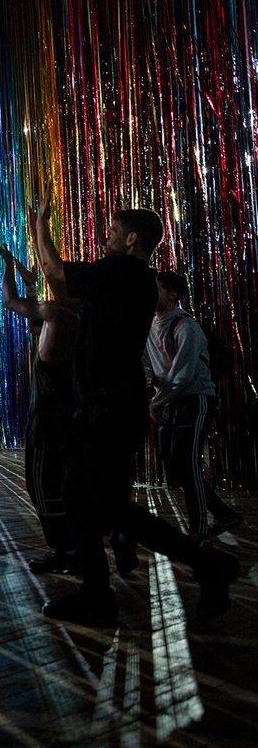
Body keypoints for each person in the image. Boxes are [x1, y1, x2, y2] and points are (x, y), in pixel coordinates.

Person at [32, 191, 239, 625]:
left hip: (106, 406)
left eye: (112, 231)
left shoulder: (123, 271)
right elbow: (64, 292)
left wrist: (41, 224)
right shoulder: (132, 280)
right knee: (96, 501)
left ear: (132, 239)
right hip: (111, 404)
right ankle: (112, 588)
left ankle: (114, 589)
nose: (106, 237)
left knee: (94, 501)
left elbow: (54, 273)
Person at [0, 236, 78, 575]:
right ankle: (77, 547)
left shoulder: (58, 313)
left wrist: (8, 266)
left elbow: (9, 302)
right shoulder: (84, 316)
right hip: (74, 416)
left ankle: (66, 551)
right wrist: (31, 288)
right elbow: (35, 326)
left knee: (43, 486)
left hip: (49, 418)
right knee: (65, 485)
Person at [144, 271, 243, 544]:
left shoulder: (186, 326)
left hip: (195, 398)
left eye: (156, 289)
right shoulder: (150, 325)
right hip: (169, 401)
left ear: (172, 295)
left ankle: (199, 530)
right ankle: (225, 514)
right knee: (176, 465)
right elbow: (146, 363)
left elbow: (183, 375)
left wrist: (156, 402)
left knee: (186, 463)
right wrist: (151, 385)